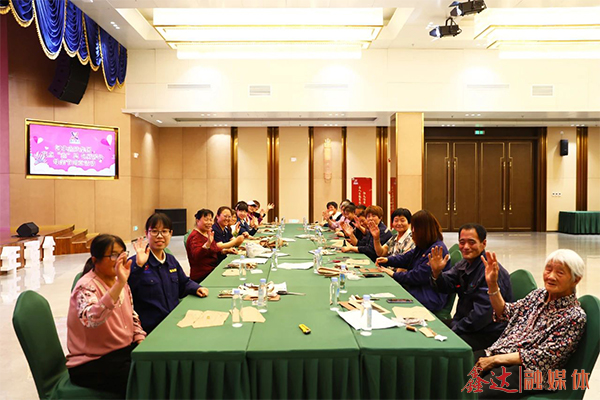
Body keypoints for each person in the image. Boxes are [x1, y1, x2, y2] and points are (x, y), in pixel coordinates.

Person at [474, 249, 587, 399]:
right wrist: (492, 284)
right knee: (455, 371)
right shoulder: (538, 295)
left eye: (560, 273)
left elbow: (545, 357)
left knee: (475, 391)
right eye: (548, 269)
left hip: (531, 372)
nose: (551, 276)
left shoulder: (574, 316)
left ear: (576, 280)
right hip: (499, 355)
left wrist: (495, 360)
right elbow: (505, 312)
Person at [67, 234, 146, 397]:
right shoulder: (85, 287)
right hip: (92, 362)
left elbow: (132, 314)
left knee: (155, 367)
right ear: (95, 260)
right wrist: (119, 284)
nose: (120, 260)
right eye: (113, 255)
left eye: (122, 254)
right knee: (143, 379)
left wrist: (140, 338)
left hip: (120, 353)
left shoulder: (120, 281)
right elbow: (92, 319)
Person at [428, 223, 513, 351]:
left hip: (487, 333)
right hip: (465, 324)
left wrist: (454, 330)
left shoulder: (491, 272)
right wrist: (436, 273)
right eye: (462, 242)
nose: (466, 247)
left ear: (483, 243)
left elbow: (482, 316)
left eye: (471, 242)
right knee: (426, 328)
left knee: (438, 346)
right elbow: (446, 286)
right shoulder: (465, 263)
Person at [129, 213, 208, 334]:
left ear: (171, 233)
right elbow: (127, 293)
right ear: (146, 233)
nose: (160, 236)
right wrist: (138, 266)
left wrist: (196, 288)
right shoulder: (135, 263)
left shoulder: (170, 260)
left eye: (164, 231)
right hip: (151, 329)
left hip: (174, 321)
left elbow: (183, 283)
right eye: (154, 231)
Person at [376, 210, 449, 312]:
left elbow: (418, 276)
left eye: (415, 228)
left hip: (428, 296)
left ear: (424, 229)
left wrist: (394, 274)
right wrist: (387, 260)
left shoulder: (436, 250)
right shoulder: (424, 244)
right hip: (416, 289)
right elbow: (406, 258)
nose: (413, 231)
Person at [187, 208, 239, 283]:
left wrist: (225, 251)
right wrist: (207, 244)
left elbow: (214, 249)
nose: (209, 223)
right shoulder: (195, 236)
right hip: (204, 275)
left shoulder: (207, 233)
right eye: (206, 220)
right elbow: (196, 256)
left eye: (210, 220)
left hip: (213, 268)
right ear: (197, 221)